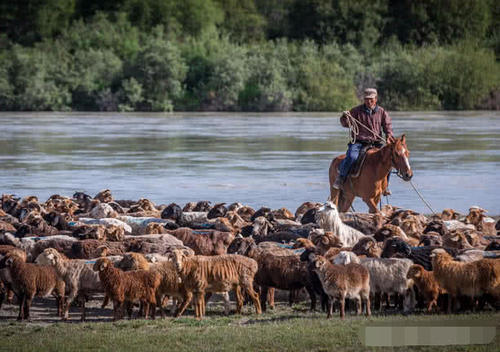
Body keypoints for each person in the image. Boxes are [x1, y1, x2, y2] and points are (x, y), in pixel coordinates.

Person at [332, 88, 394, 193]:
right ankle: (341, 178)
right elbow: (345, 124)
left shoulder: (382, 112)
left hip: (376, 143)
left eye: (371, 99)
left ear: (376, 99)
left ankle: (385, 186)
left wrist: (389, 135)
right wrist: (344, 117)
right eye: (366, 99)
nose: (369, 101)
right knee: (352, 157)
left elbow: (387, 126)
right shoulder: (356, 111)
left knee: (389, 160)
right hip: (359, 142)